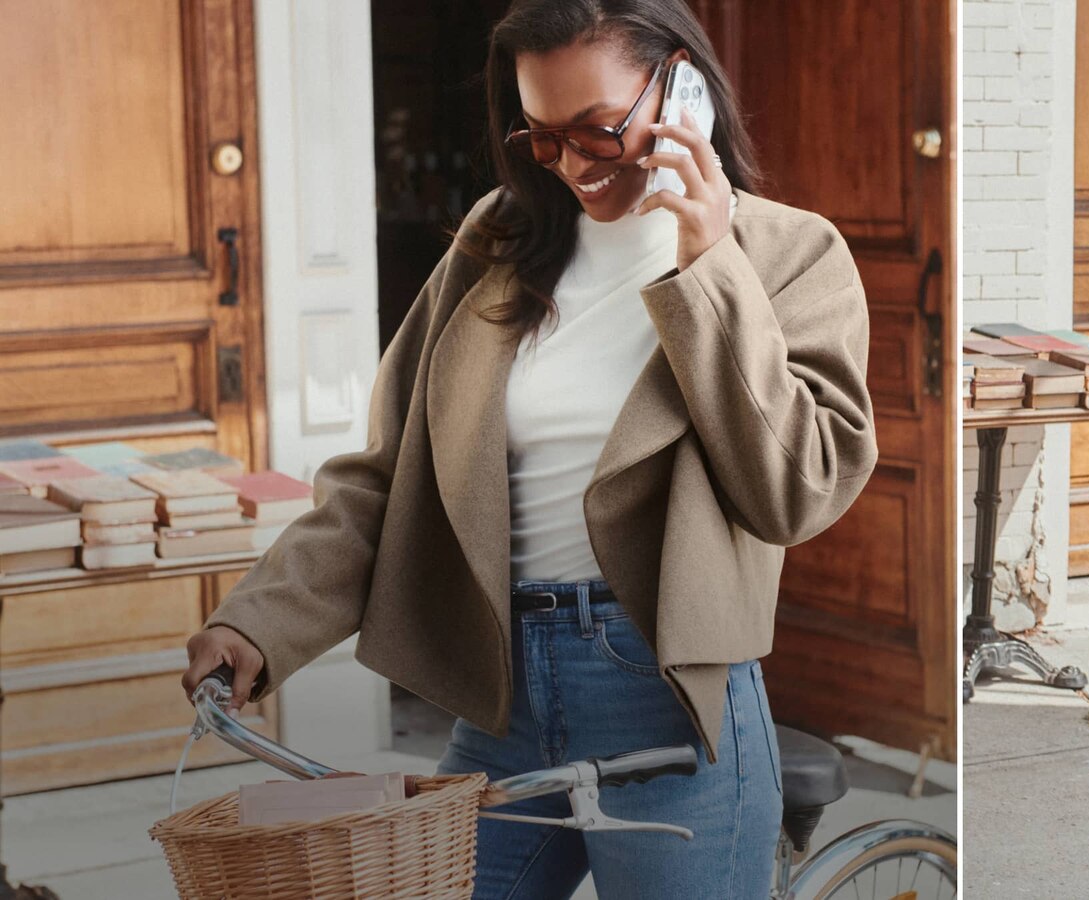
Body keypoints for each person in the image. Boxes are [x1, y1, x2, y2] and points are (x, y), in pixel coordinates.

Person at [180, 1, 879, 896]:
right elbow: (387, 479)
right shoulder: (499, 242)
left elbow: (798, 489)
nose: (576, 166)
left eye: (598, 130)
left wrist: (708, 268)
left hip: (664, 697)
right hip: (500, 686)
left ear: (683, 86)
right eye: (543, 139)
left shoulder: (788, 255)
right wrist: (257, 621)